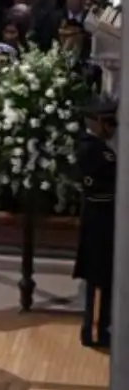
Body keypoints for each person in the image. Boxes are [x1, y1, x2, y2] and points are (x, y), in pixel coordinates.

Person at [75, 130, 116, 349]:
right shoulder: (94, 151)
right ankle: (94, 331)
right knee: (98, 279)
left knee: (102, 278)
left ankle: (99, 327)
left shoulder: (94, 147)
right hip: (98, 223)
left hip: (99, 220)